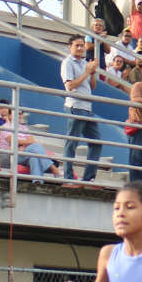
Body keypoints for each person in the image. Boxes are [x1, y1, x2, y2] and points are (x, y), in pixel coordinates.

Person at [60, 35, 103, 184]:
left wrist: (92, 73)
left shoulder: (85, 62)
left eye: (82, 45)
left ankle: (88, 178)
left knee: (96, 142)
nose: (80, 48)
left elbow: (92, 86)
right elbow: (69, 86)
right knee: (72, 143)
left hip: (87, 107)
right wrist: (87, 72)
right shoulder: (67, 63)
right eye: (77, 45)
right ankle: (68, 178)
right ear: (70, 47)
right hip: (75, 106)